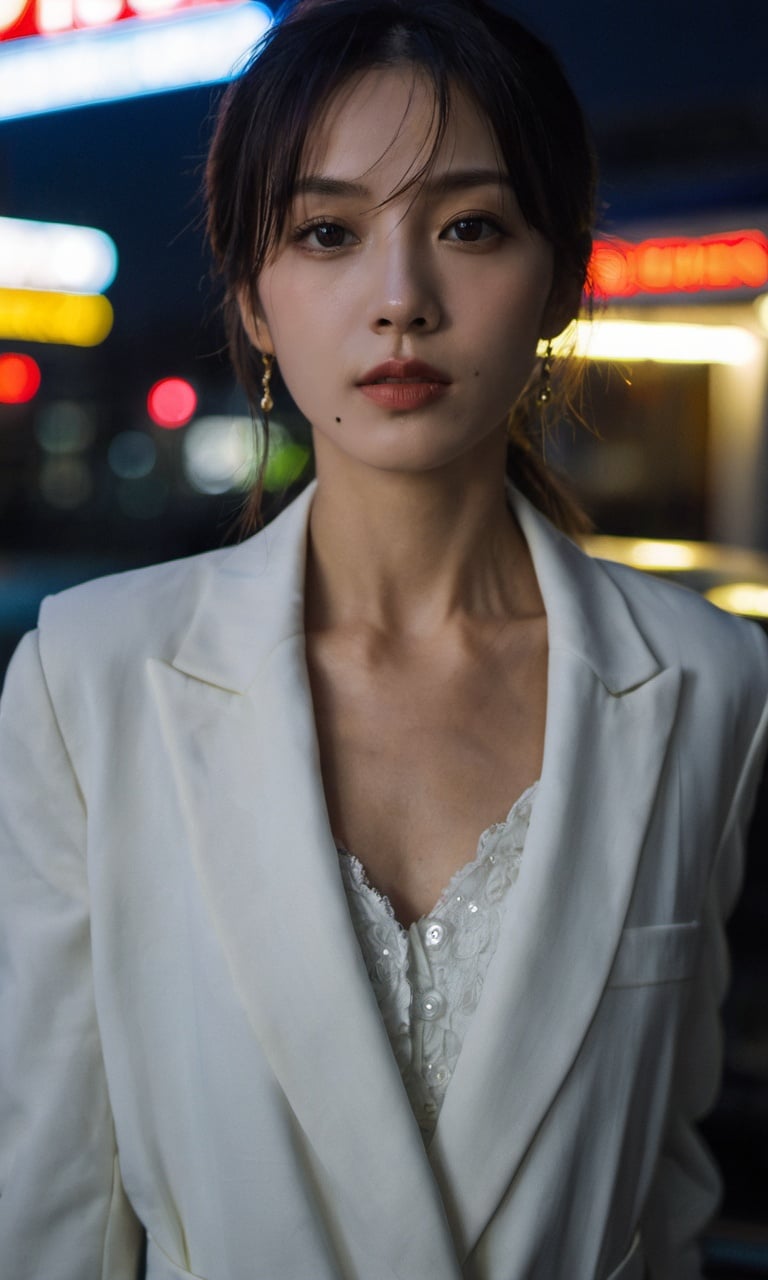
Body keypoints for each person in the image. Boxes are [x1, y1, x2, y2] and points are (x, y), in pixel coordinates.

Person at [1, 1, 766, 1277]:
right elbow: (49, 1215)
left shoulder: (708, 681)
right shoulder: (90, 684)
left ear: (563, 277)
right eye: (330, 232)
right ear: (252, 292)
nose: (401, 298)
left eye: (470, 227)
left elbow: (664, 1199)